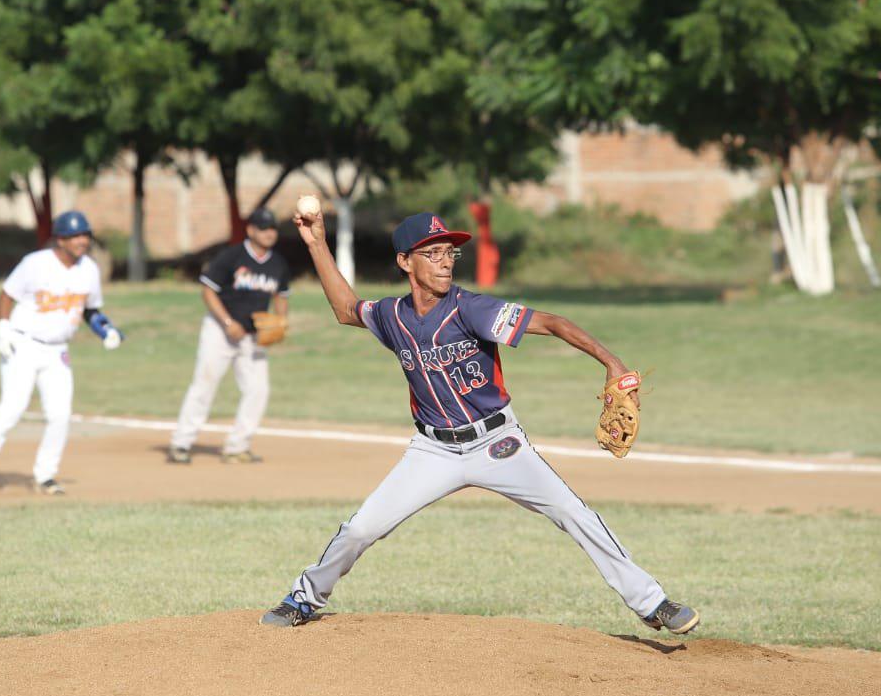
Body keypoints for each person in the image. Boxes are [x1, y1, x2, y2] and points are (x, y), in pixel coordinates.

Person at [259, 210, 699, 635]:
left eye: (449, 252)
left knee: (573, 512)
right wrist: (316, 241)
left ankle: (652, 603)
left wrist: (612, 362)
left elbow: (552, 322)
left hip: (498, 445)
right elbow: (345, 309)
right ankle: (304, 598)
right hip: (433, 451)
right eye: (432, 253)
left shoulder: (472, 309)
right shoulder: (393, 317)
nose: (445, 261)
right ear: (404, 262)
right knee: (361, 528)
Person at [0, 211, 123, 496]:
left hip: (57, 351)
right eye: (75, 236)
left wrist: (105, 330)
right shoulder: (35, 264)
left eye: (85, 235)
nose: (82, 241)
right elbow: (7, 294)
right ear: (60, 240)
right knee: (12, 407)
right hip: (23, 344)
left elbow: (89, 309)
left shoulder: (89, 270)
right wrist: (3, 328)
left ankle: (45, 475)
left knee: (60, 414)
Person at [169, 207, 290, 464]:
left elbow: (281, 295)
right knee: (205, 384)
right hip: (219, 331)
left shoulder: (278, 263)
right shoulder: (232, 256)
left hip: (253, 336)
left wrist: (280, 322)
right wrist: (226, 322)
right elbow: (208, 290)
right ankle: (182, 443)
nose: (269, 233)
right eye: (264, 228)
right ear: (251, 230)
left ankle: (237, 446)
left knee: (258, 390)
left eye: (272, 228)